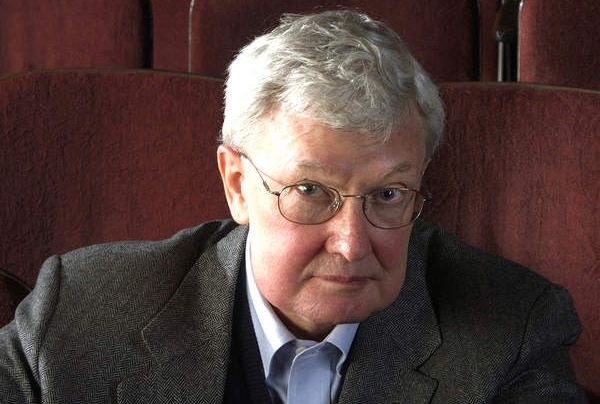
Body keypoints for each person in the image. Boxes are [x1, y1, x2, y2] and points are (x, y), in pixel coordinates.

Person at [0, 9, 586, 404]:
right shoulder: (80, 312)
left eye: (387, 194)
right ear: (236, 184)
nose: (353, 244)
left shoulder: (510, 331)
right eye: (310, 192)